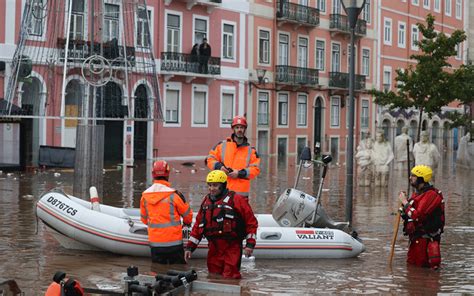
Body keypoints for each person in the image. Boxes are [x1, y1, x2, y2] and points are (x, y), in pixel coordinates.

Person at [184, 170, 258, 279]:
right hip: (214, 247)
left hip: (231, 246)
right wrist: (190, 247)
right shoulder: (206, 201)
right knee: (213, 276)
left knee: (231, 277)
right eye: (209, 185)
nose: (211, 188)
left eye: (215, 185)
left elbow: (251, 222)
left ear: (223, 185)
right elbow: (198, 225)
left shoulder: (236, 199)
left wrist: (250, 245)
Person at [140, 160, 193, 264]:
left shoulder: (145, 196)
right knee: (179, 273)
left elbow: (144, 220)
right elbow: (188, 217)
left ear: (153, 174)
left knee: (158, 273)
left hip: (156, 244)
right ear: (168, 174)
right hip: (174, 244)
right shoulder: (174, 195)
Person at [398, 165, 445, 269]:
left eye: (413, 176)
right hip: (416, 239)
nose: (410, 178)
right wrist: (403, 210)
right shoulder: (417, 194)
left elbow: (417, 216)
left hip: (426, 240)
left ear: (421, 179)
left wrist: (405, 202)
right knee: (412, 267)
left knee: (422, 268)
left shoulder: (431, 195)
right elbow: (410, 213)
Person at [206, 115, 261, 197]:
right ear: (233, 129)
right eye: (237, 127)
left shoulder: (251, 151)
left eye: (241, 127)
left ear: (245, 129)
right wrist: (220, 167)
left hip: (241, 195)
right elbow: (210, 159)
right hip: (223, 192)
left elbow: (255, 170)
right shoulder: (222, 145)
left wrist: (239, 173)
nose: (239, 130)